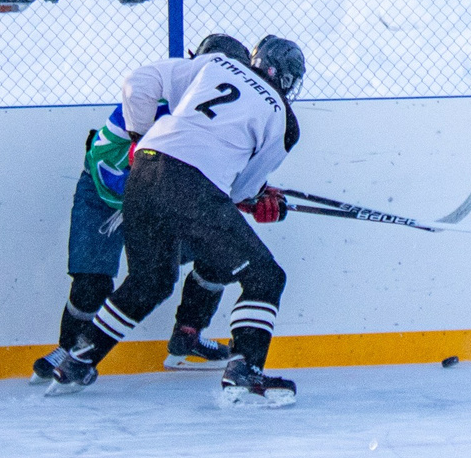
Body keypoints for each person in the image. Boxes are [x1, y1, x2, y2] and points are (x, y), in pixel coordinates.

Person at [35, 35, 308, 408]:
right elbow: (240, 188)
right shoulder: (283, 118)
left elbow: (138, 82)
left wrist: (138, 136)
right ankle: (245, 369)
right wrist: (260, 201)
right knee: (266, 277)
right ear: (289, 79)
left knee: (151, 280)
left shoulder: (215, 65)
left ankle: (79, 360)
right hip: (194, 187)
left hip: (144, 170)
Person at [56, 34, 250, 363]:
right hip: (106, 197)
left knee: (219, 253)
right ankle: (67, 352)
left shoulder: (221, 122)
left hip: (158, 204)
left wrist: (248, 194)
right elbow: (104, 169)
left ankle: (188, 335)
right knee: (92, 286)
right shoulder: (153, 101)